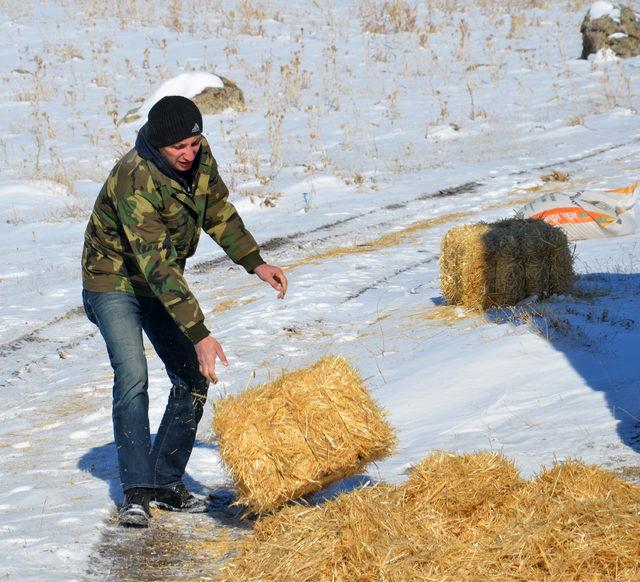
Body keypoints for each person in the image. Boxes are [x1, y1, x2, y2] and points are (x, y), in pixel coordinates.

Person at [81, 95, 287, 527]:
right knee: (133, 374)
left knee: (193, 377)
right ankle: (137, 491)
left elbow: (216, 211)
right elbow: (157, 267)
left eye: (194, 143)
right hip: (114, 280)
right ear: (158, 143)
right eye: (180, 147)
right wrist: (200, 333)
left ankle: (165, 484)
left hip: (156, 278)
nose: (189, 153)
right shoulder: (135, 179)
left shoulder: (197, 158)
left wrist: (255, 261)